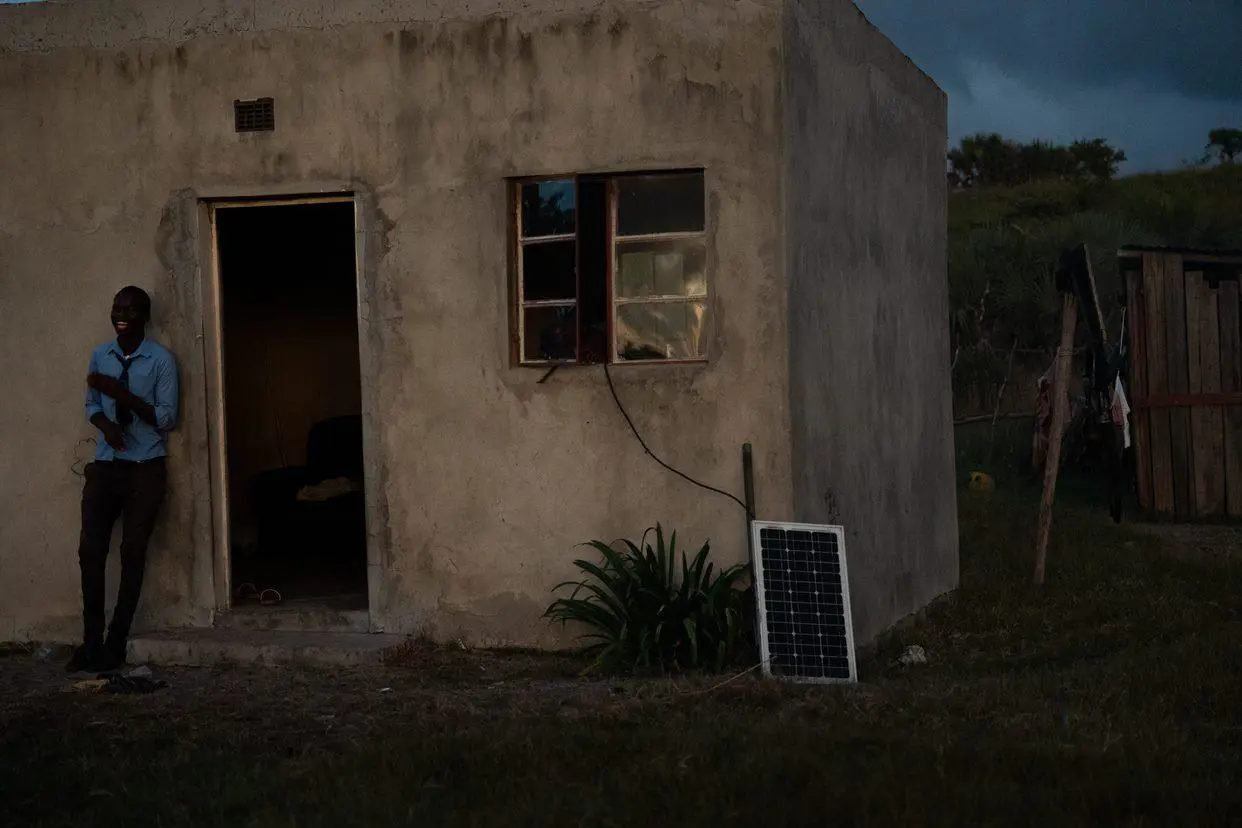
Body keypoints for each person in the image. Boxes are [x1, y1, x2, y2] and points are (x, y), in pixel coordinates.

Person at [66, 286, 179, 673]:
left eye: (130, 310)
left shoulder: (161, 360)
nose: (121, 315)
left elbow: (167, 418)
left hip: (145, 468)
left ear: (145, 316)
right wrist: (106, 426)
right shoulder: (102, 355)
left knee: (132, 553)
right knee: (90, 552)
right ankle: (90, 643)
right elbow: (92, 405)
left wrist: (120, 393)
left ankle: (116, 642)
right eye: (117, 308)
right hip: (106, 466)